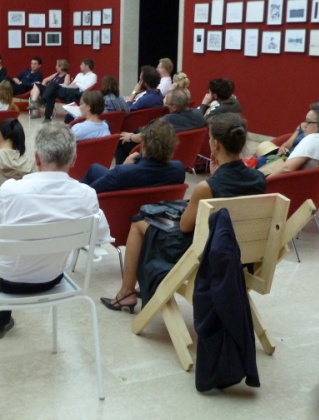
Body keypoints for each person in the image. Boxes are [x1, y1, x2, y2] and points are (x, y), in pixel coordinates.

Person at [100, 112, 266, 312]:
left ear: (216, 145)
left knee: (139, 223)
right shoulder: (259, 179)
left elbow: (186, 226)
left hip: (206, 251)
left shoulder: (206, 187)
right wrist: (215, 176)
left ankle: (126, 293)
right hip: (241, 250)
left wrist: (212, 182)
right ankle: (139, 286)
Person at [0, 122, 112, 338]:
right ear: (73, 159)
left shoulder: (11, 191)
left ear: (37, 158)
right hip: (52, 279)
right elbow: (102, 235)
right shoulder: (87, 195)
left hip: (5, 283)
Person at [81, 119, 185, 193]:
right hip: (155, 210)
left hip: (119, 207)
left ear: (143, 143)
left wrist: (123, 166)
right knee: (94, 169)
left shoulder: (121, 172)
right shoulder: (179, 169)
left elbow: (91, 191)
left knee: (92, 172)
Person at [116, 89, 205, 165]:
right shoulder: (199, 115)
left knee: (121, 140)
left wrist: (130, 137)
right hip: (186, 154)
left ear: (174, 107)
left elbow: (146, 136)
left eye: (167, 103)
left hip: (161, 153)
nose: (166, 105)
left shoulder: (167, 120)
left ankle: (120, 173)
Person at [41, 59, 97, 124]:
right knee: (52, 87)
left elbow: (85, 88)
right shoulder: (79, 74)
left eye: (82, 65)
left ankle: (43, 102)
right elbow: (72, 84)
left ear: (86, 66)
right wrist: (74, 85)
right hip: (70, 90)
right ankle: (47, 116)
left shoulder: (93, 76)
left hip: (79, 93)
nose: (80, 66)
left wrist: (78, 85)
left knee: (53, 89)